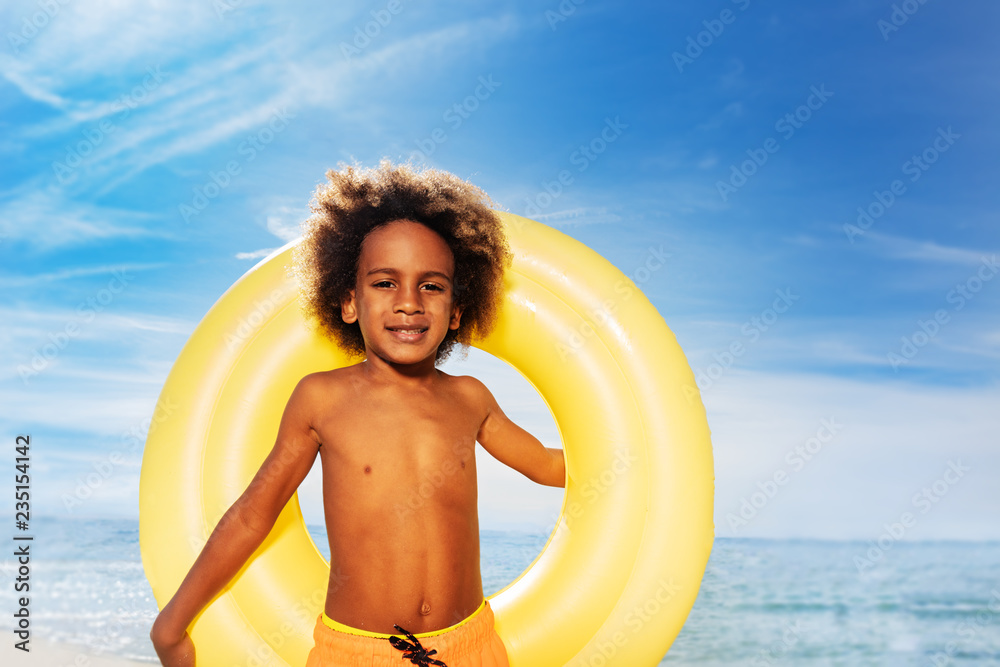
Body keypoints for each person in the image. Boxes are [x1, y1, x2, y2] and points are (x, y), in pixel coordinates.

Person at [149, 161, 566, 667]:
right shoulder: (321, 399)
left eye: (432, 286)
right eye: (385, 283)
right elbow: (254, 515)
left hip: (472, 646)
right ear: (349, 302)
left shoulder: (471, 399)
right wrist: (174, 622)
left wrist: (646, 457)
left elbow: (546, 465)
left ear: (457, 311)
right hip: (358, 653)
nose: (409, 303)